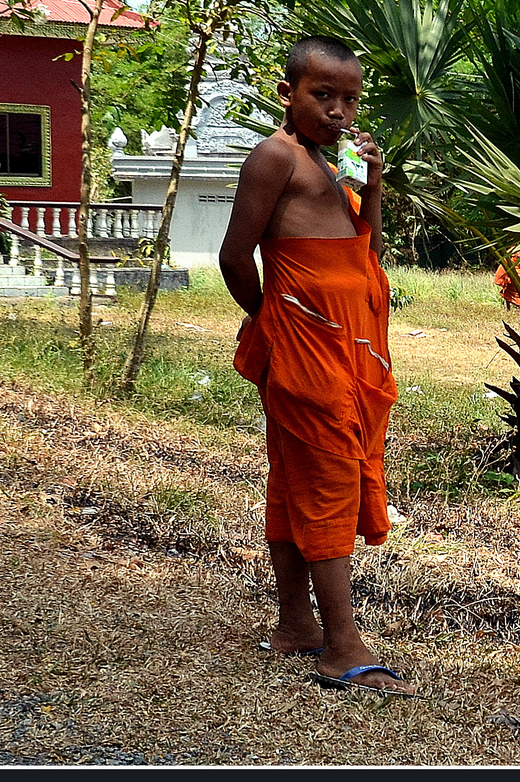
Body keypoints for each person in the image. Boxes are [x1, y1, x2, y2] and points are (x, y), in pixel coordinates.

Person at [219, 35, 416, 697]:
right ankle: (341, 644)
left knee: (296, 483)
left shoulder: (336, 166)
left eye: (349, 99)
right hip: (307, 351)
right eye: (322, 94)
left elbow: (367, 254)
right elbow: (233, 256)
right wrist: (273, 323)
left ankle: (296, 625)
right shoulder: (275, 157)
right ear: (287, 93)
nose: (338, 110)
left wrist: (376, 187)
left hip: (348, 349)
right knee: (328, 481)